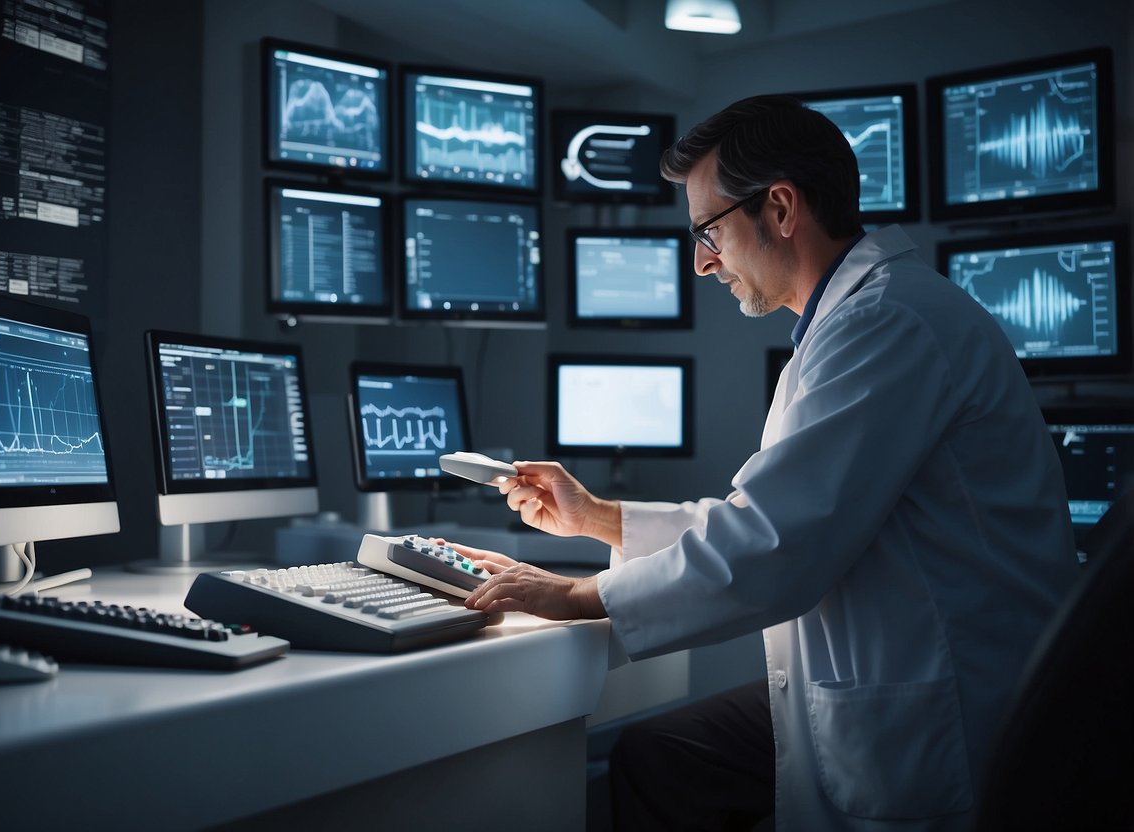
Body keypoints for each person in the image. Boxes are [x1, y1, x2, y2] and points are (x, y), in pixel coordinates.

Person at [456, 95, 1081, 831]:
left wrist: (574, 596)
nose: (700, 260)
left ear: (780, 208)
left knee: (664, 761)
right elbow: (771, 517)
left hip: (951, 703)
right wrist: (596, 518)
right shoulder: (850, 324)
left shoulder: (885, 326)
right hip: (911, 673)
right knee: (663, 755)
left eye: (707, 230)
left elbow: (774, 547)